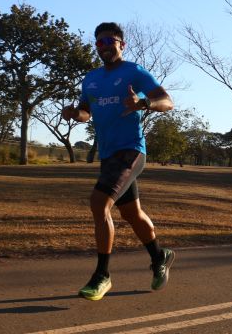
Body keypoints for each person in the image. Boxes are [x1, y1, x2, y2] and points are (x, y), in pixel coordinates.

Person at [62, 22, 175, 301]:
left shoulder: (133, 71)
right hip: (109, 155)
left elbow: (167, 101)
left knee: (99, 202)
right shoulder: (90, 79)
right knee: (131, 214)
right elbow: (86, 112)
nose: (104, 46)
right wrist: (75, 114)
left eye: (110, 40)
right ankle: (160, 255)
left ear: (121, 44)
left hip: (132, 150)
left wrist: (144, 104)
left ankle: (102, 275)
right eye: (99, 42)